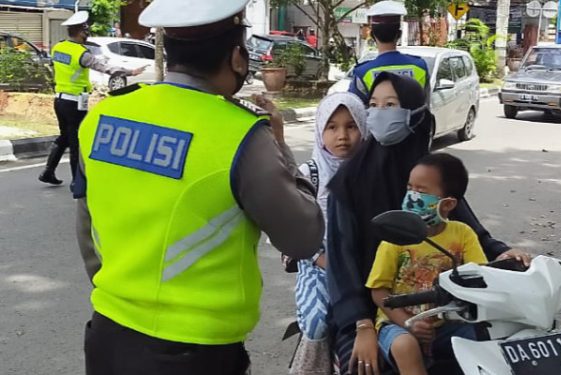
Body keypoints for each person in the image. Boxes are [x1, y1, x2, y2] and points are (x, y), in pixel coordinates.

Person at [74, 0, 324, 373]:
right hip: (196, 353)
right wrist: (281, 148)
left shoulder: (104, 117)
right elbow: (303, 238)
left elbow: (86, 227)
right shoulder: (240, 135)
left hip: (108, 336)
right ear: (237, 57)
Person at [327, 72, 533, 375]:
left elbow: (469, 231)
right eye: (374, 105)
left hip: (439, 309)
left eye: (391, 105)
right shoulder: (348, 182)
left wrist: (503, 253)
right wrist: (362, 323)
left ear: (415, 113)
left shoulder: (431, 173)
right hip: (368, 310)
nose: (380, 113)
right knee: (361, 366)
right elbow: (341, 262)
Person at [367, 153, 486, 375]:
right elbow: (378, 291)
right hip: (397, 322)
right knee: (405, 346)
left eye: (421, 192)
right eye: (410, 188)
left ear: (448, 203)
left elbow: (480, 275)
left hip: (448, 322)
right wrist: (407, 322)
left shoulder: (463, 234)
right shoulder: (395, 237)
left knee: (486, 338)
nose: (412, 196)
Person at [289, 92, 367, 374]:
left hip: (363, 266)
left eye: (352, 126)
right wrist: (323, 259)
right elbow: (291, 231)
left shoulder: (372, 173)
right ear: (320, 131)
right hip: (318, 265)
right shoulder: (309, 174)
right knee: (318, 320)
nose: (342, 135)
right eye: (332, 127)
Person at [38, 11, 144, 186]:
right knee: (76, 143)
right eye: (86, 32)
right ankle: (76, 182)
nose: (87, 35)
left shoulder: (58, 47)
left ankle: (48, 172)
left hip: (59, 100)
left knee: (64, 137)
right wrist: (130, 72)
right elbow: (103, 67)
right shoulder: (81, 54)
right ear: (81, 32)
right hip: (74, 103)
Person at [348, 0, 430, 103]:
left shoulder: (363, 72)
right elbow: (425, 107)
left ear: (373, 35)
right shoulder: (420, 67)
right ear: (399, 34)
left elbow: (355, 111)